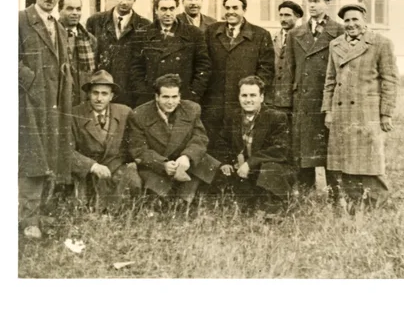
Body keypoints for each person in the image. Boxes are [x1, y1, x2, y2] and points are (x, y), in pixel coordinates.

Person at [322, 4, 399, 208]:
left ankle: (379, 204)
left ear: (364, 20)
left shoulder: (381, 43)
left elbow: (389, 80)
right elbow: (330, 79)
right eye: (347, 21)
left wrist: (386, 113)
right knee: (345, 160)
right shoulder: (335, 44)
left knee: (370, 160)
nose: (351, 24)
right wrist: (328, 110)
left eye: (355, 19)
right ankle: (355, 202)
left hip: (367, 112)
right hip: (341, 111)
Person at [19, 0, 73, 238]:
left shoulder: (60, 28)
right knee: (31, 158)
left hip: (53, 106)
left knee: (49, 156)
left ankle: (39, 214)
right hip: (26, 105)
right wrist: (31, 83)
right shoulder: (19, 21)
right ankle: (28, 221)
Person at [283, 0, 344, 191]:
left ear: (327, 4)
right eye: (308, 1)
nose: (312, 5)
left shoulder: (339, 31)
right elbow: (288, 69)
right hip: (303, 100)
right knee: (304, 148)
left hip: (328, 99)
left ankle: (336, 193)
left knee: (330, 149)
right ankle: (305, 192)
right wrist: (287, 101)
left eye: (317, 1)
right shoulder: (295, 33)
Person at [127, 74, 220, 206]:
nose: (170, 102)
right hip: (157, 165)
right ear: (156, 97)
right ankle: (166, 200)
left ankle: (185, 198)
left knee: (206, 161)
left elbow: (200, 137)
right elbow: (138, 150)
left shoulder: (192, 109)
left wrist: (187, 156)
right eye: (165, 97)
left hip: (184, 163)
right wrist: (162, 164)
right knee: (158, 199)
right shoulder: (139, 115)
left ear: (180, 96)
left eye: (174, 97)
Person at [210, 76, 295, 209]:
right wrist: (225, 161)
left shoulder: (276, 117)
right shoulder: (233, 116)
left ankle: (275, 205)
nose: (248, 100)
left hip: (267, 168)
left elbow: (280, 149)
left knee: (271, 169)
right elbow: (222, 141)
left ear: (261, 97)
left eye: (253, 95)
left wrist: (250, 163)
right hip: (243, 170)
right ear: (239, 97)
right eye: (244, 95)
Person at [203, 0, 275, 146]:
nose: (230, 11)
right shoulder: (211, 32)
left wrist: (253, 93)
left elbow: (266, 69)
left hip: (244, 100)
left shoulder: (260, 35)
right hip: (216, 100)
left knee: (241, 141)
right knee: (214, 141)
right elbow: (203, 63)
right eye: (227, 8)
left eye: (235, 8)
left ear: (244, 10)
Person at [71, 70, 141, 210]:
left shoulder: (124, 112)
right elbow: (66, 150)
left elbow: (136, 142)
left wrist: (134, 162)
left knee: (134, 182)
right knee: (85, 204)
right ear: (89, 94)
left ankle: (124, 216)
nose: (99, 98)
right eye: (95, 93)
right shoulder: (75, 114)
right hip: (88, 169)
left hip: (115, 166)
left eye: (104, 94)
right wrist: (92, 166)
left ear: (111, 96)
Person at [130, 0, 211, 106]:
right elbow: (136, 68)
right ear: (156, 10)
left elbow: (203, 66)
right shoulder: (143, 34)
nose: (168, 13)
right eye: (163, 9)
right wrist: (144, 94)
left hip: (182, 98)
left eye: (172, 9)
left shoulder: (194, 34)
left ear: (177, 9)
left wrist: (193, 93)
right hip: (152, 98)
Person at [86, 0, 151, 107]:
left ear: (134, 0)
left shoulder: (145, 26)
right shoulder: (96, 21)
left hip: (129, 93)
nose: (124, 1)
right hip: (101, 90)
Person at [58, 0, 97, 105]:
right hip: (60, 99)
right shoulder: (51, 36)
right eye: (70, 9)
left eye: (78, 9)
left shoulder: (90, 39)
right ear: (59, 10)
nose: (75, 13)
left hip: (83, 100)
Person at [272, 0, 303, 111]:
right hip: (274, 97)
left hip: (294, 97)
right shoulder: (273, 37)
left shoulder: (303, 38)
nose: (283, 19)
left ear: (297, 16)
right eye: (281, 15)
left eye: (287, 15)